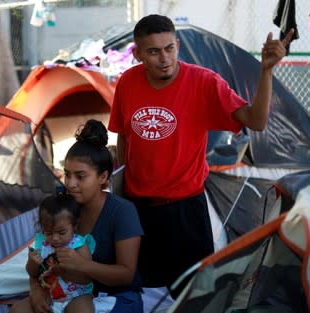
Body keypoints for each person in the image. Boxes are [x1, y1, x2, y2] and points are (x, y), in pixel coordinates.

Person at [107, 14, 295, 298]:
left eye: (169, 48)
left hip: (186, 212)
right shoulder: (127, 82)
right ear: (137, 54)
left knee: (195, 296)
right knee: (142, 294)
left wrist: (266, 72)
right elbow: (124, 134)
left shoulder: (204, 82)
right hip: (139, 211)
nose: (164, 58)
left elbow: (256, 121)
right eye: (154, 51)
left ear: (178, 46)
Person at [10, 119, 144, 313]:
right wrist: (36, 289)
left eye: (80, 176)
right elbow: (42, 253)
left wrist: (82, 265)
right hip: (63, 291)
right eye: (67, 174)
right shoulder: (61, 204)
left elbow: (126, 274)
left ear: (103, 177)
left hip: (114, 296)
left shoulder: (122, 211)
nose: (71, 184)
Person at [25, 193, 95, 313]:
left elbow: (87, 278)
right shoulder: (43, 244)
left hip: (78, 295)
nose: (55, 238)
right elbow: (32, 273)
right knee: (17, 310)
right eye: (49, 233)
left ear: (74, 225)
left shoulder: (79, 245)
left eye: (61, 232)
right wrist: (32, 263)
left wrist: (65, 273)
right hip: (48, 294)